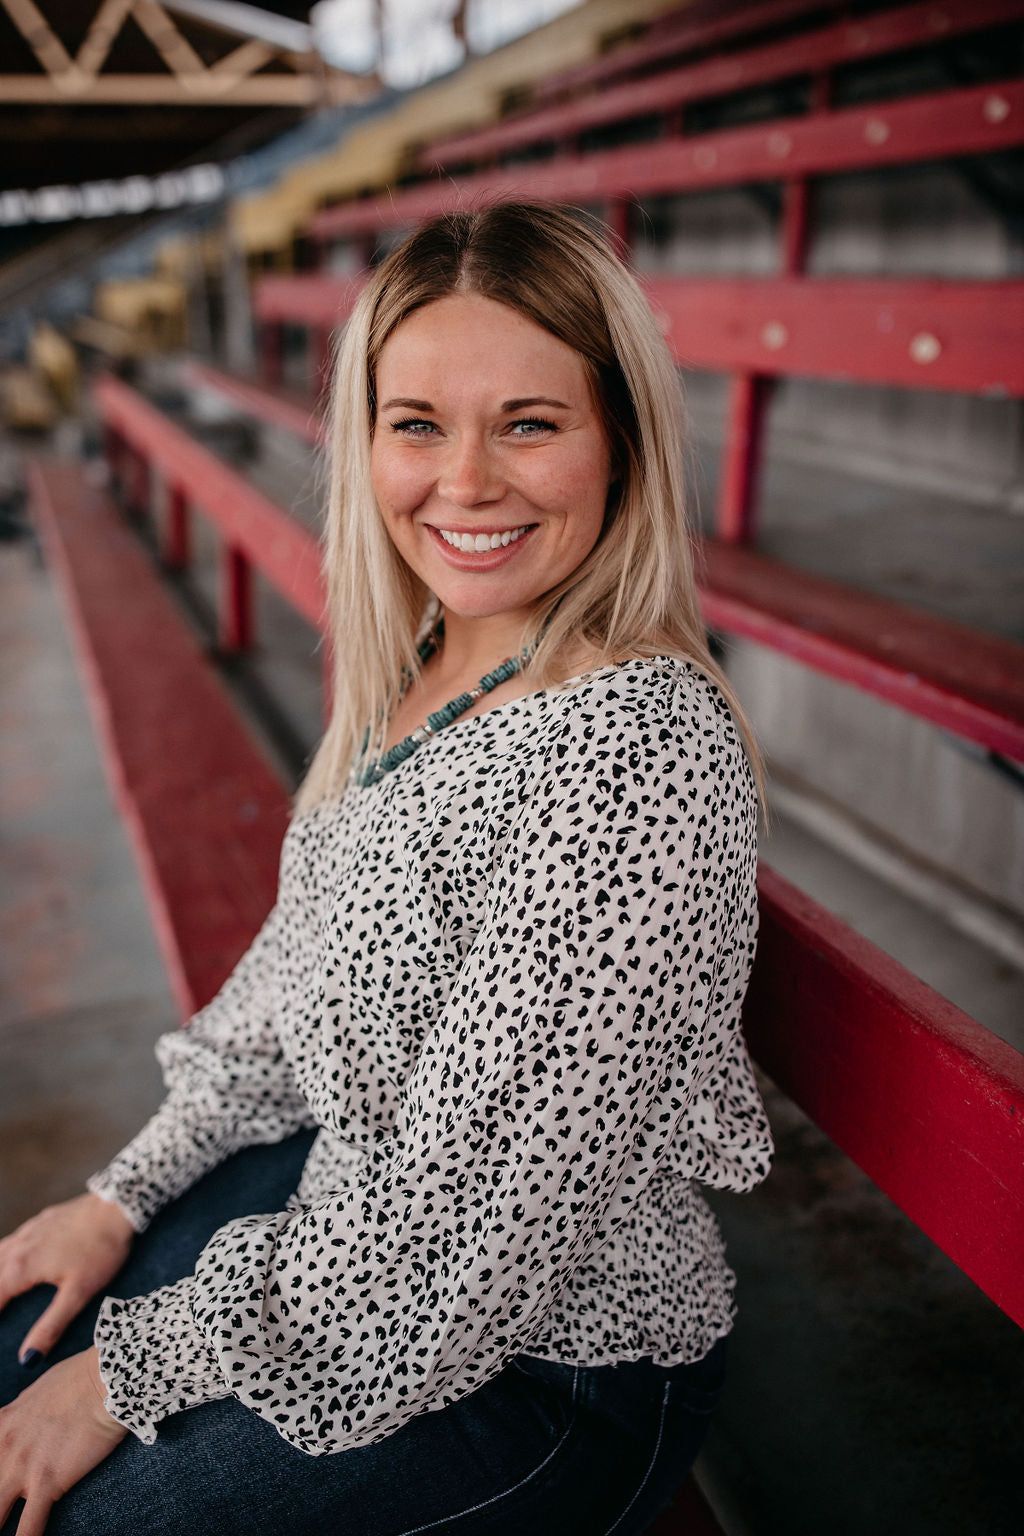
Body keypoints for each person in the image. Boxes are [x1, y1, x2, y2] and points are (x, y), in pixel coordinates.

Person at [0, 202, 772, 1536]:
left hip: (547, 1372)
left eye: (530, 422)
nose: (464, 482)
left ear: (623, 446)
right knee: (18, 1334)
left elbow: (470, 1241)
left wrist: (133, 1370)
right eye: (417, 423)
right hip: (358, 1209)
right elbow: (283, 993)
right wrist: (117, 1197)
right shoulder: (428, 669)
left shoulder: (638, 750)